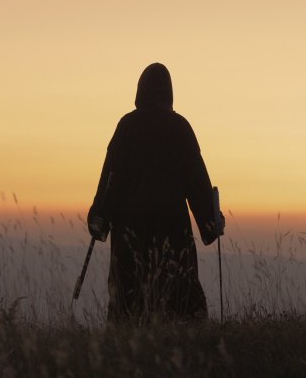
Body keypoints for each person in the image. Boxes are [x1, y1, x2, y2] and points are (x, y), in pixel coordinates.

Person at [88, 62, 224, 323]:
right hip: (172, 232)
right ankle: (182, 357)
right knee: (182, 305)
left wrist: (99, 217)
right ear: (169, 93)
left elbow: (109, 181)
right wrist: (210, 222)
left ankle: (126, 358)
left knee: (128, 307)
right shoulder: (179, 128)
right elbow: (197, 181)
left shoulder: (126, 126)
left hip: (129, 233)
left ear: (140, 92)